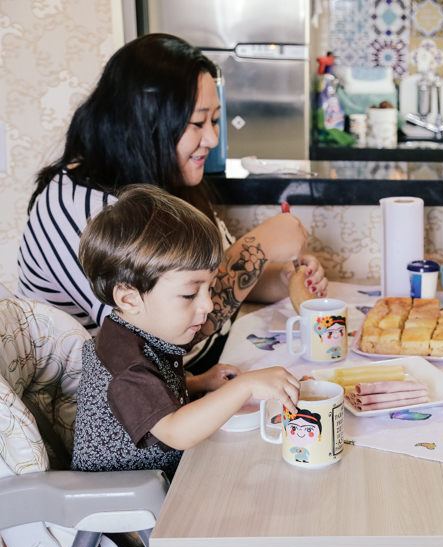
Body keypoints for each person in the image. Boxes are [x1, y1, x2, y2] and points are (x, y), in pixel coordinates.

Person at [16, 33, 328, 373]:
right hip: (124, 400)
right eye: (198, 123)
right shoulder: (84, 210)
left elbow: (208, 289)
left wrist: (281, 277)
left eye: (215, 120)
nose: (212, 138)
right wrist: (256, 247)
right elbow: (151, 347)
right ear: (145, 123)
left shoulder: (159, 179)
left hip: (198, 375)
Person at [71, 186, 300, 480]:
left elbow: (152, 389)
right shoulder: (123, 364)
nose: (208, 305)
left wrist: (200, 381)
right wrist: (245, 386)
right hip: (130, 499)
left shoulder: (131, 332)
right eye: (190, 294)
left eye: (210, 288)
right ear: (129, 298)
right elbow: (176, 431)